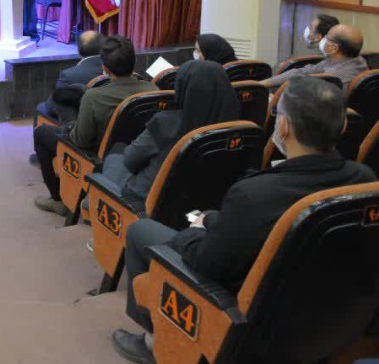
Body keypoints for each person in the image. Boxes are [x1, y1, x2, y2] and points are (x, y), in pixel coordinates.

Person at [111, 77, 376, 364]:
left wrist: (193, 232)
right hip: (329, 317)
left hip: (252, 323)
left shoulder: (254, 194)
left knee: (140, 231)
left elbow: (208, 264)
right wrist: (214, 221)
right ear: (343, 125)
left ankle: (154, 343)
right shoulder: (364, 180)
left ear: (284, 127)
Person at [33, 36, 157, 216]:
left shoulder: (94, 97)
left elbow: (80, 141)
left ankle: (57, 199)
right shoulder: (153, 90)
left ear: (104, 68)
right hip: (135, 150)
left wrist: (71, 126)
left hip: (98, 153)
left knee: (42, 132)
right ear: (134, 62)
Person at [100, 60, 240, 201]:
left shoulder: (166, 122)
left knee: (116, 153)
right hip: (203, 198)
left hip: (147, 197)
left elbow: (131, 160)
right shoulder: (237, 127)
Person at [261, 24, 368, 89]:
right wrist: (263, 84)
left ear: (334, 48)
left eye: (326, 38)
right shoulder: (358, 61)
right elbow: (302, 72)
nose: (323, 40)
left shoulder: (332, 80)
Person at [35, 30, 105, 129]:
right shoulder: (113, 69)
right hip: (107, 121)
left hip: (79, 128)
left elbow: (52, 106)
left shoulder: (68, 75)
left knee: (42, 107)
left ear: (79, 49)